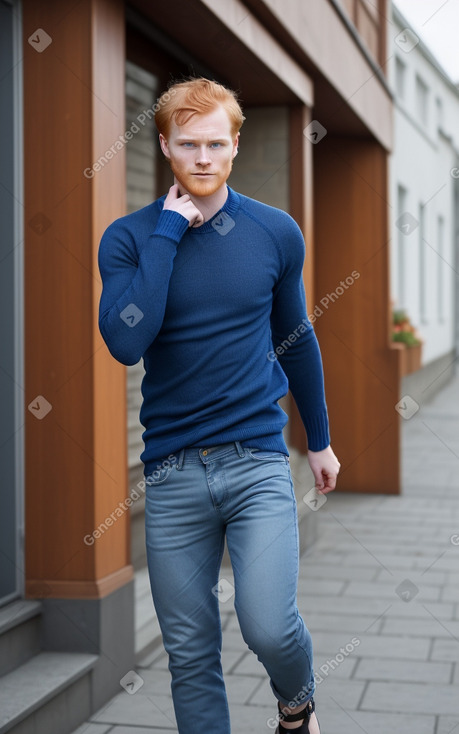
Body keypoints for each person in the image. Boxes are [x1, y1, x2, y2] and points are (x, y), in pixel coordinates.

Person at [98, 77, 340, 734]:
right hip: (173, 472)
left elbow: (296, 339)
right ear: (165, 146)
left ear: (234, 145)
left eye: (214, 144)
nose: (201, 158)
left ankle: (296, 708)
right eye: (187, 144)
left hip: (256, 461)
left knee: (267, 623)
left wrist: (317, 440)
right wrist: (171, 231)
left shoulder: (273, 232)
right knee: (190, 653)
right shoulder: (129, 238)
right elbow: (125, 339)